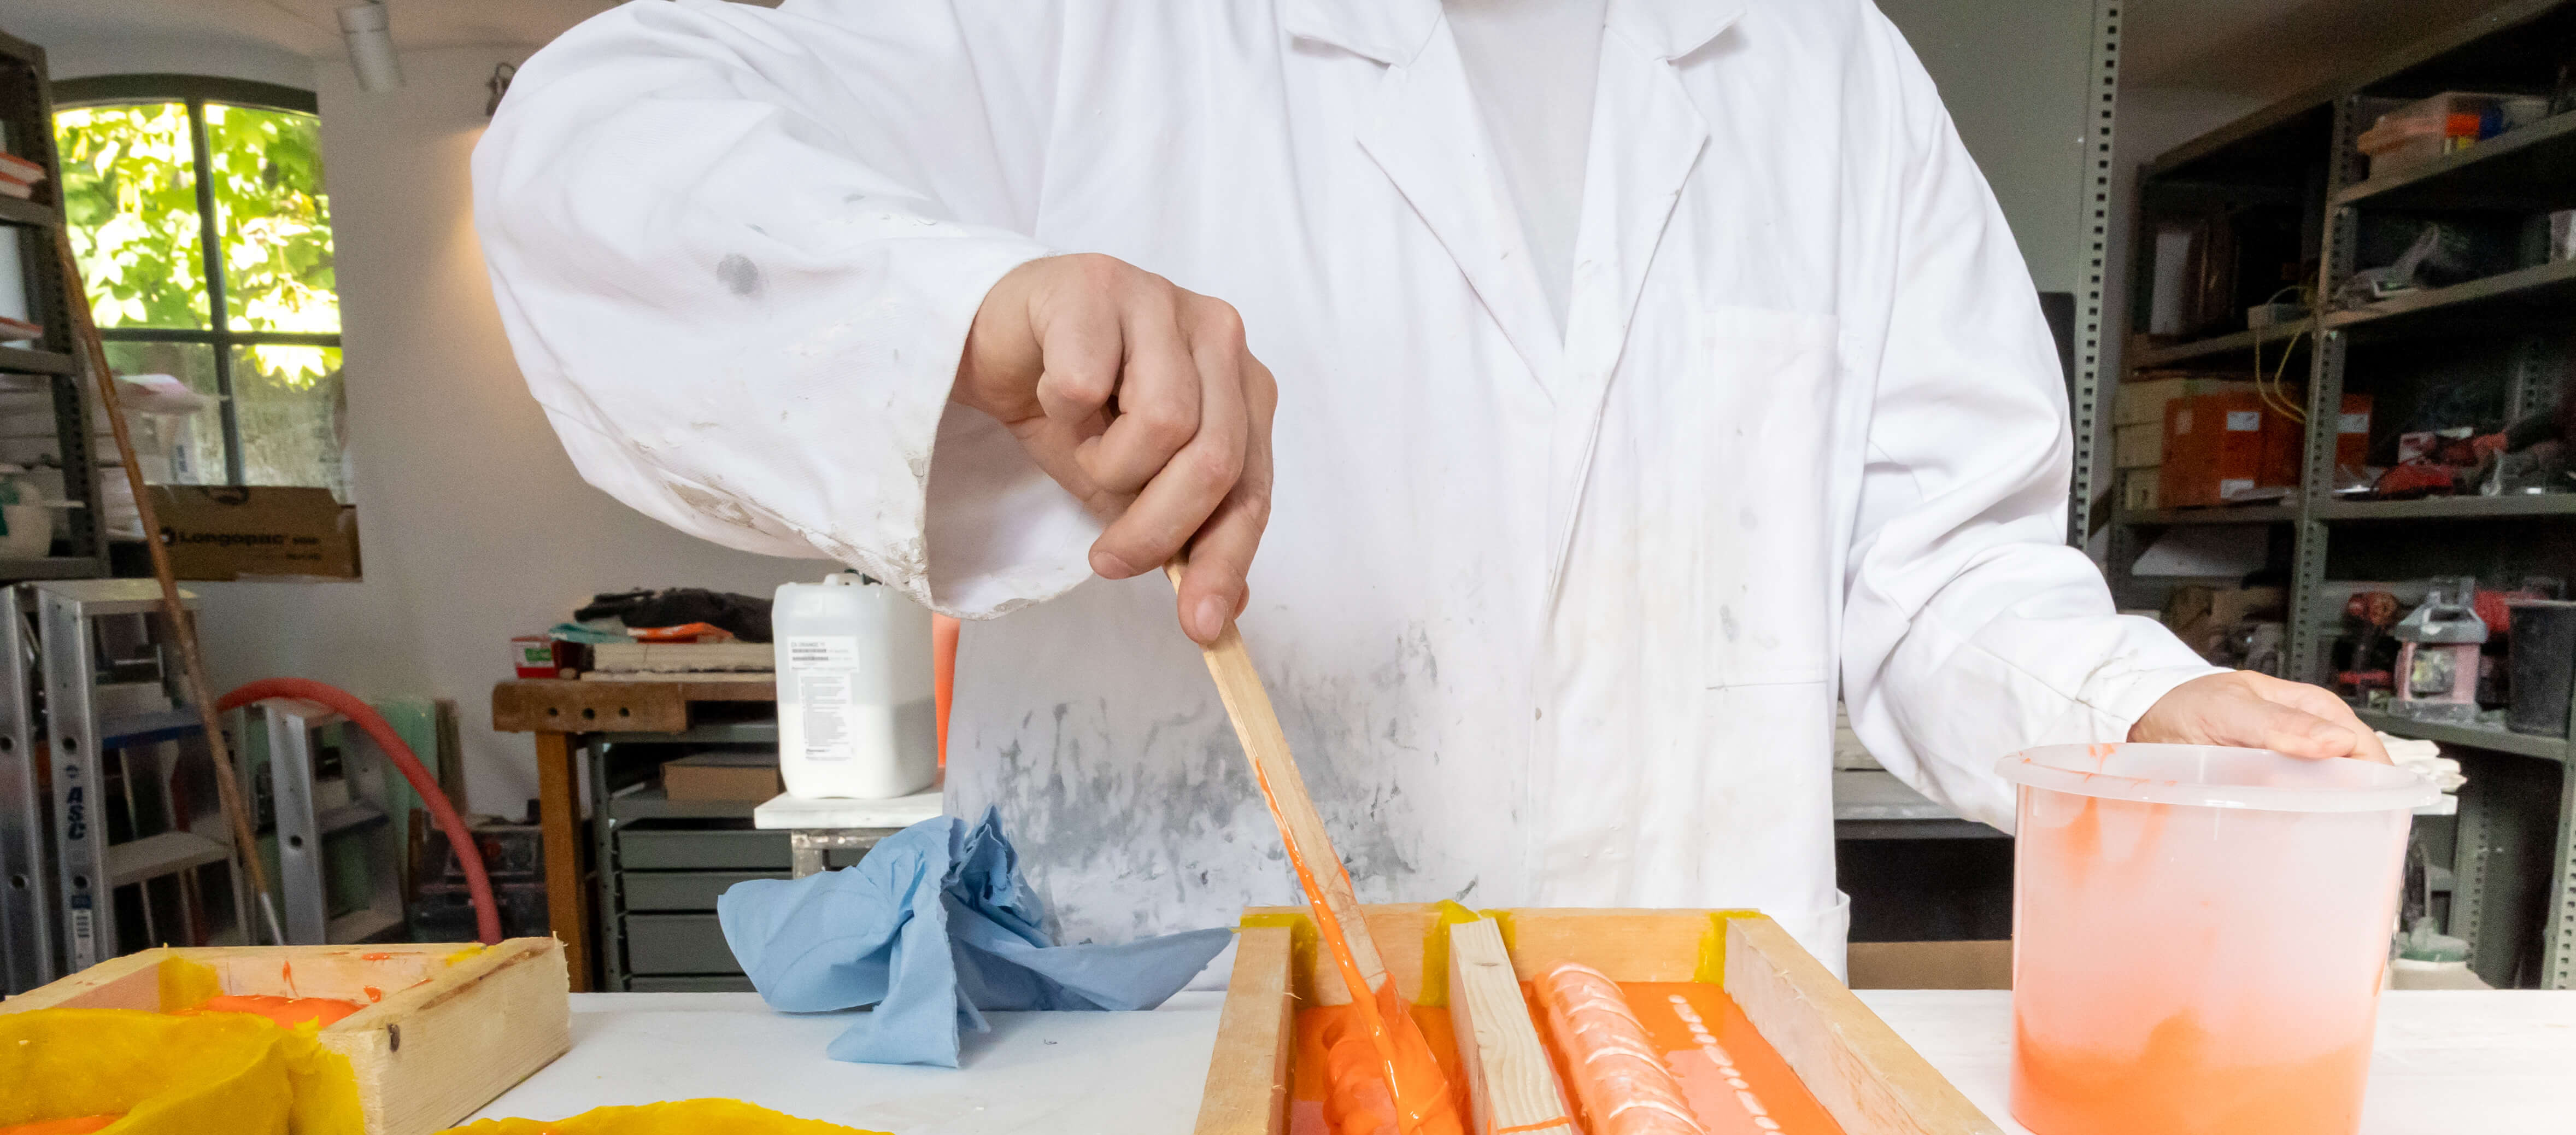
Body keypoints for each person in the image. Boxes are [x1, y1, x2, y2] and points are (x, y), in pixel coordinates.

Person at [474, 0, 2385, 969]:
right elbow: (595, 147)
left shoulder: (1824, 66)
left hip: (1692, 1041)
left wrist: (2128, 708)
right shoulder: (1069, 28)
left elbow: (1931, 563)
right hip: (1177, 1043)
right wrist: (961, 304)